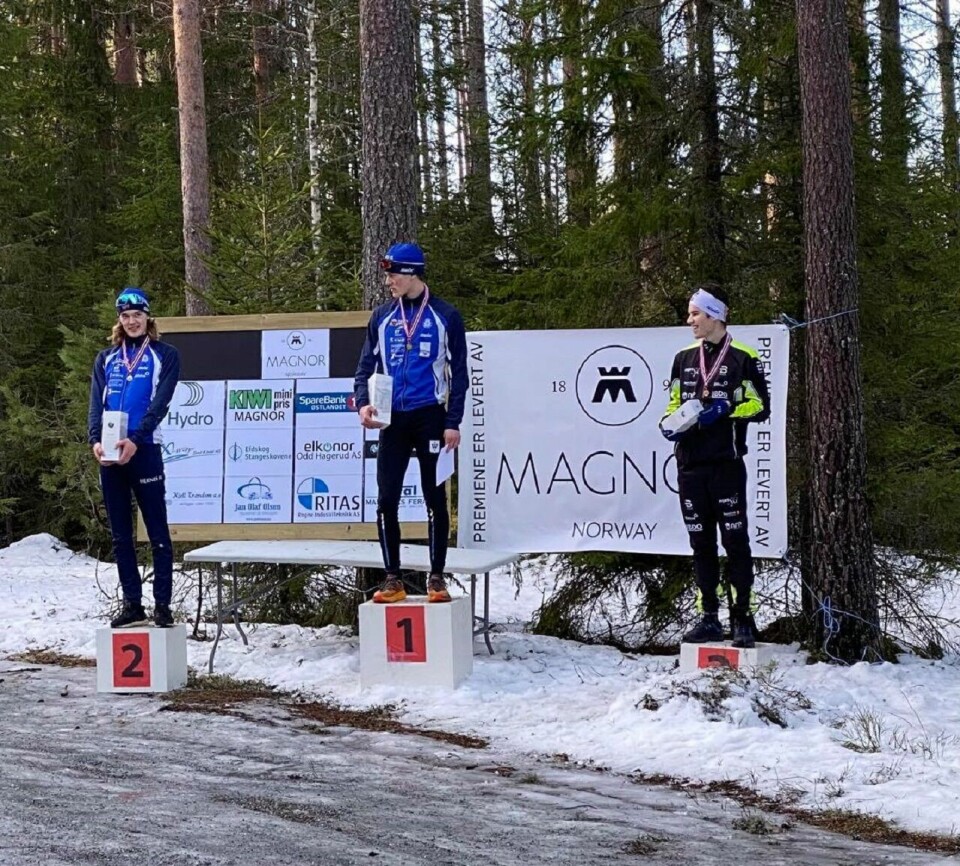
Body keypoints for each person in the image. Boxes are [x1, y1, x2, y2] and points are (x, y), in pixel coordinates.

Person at [354, 243, 468, 603]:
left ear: (411, 273)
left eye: (392, 274)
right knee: (387, 497)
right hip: (392, 420)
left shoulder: (445, 315)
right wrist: (362, 405)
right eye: (386, 275)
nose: (388, 281)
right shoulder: (382, 316)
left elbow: (460, 375)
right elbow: (364, 367)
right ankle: (393, 579)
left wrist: (453, 420)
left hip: (430, 416)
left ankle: (436, 577)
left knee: (434, 497)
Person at [660, 283, 770, 648]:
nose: (689, 320)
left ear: (715, 315)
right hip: (690, 465)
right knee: (700, 543)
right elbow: (673, 401)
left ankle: (742, 617)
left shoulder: (742, 357)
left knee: (736, 541)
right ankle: (709, 616)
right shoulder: (683, 358)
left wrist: (727, 412)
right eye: (690, 313)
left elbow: (761, 406)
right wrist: (671, 423)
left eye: (695, 313)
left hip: (726, 463)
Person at [88, 288, 181, 628]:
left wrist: (137, 440)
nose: (131, 321)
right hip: (111, 454)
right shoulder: (106, 358)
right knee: (120, 535)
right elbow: (96, 404)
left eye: (137, 315)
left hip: (144, 450)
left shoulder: (164, 354)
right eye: (125, 317)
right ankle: (132, 604)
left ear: (147, 317)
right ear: (120, 320)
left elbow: (161, 404)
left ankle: (162, 606)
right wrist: (95, 441)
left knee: (157, 531)